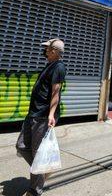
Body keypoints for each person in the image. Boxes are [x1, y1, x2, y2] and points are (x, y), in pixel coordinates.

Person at [16, 38, 66, 196]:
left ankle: (35, 190)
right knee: (21, 146)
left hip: (43, 116)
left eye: (47, 49)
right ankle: (43, 170)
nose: (45, 51)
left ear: (54, 51)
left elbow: (56, 92)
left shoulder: (58, 67)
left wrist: (51, 114)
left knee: (37, 153)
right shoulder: (49, 65)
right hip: (33, 114)